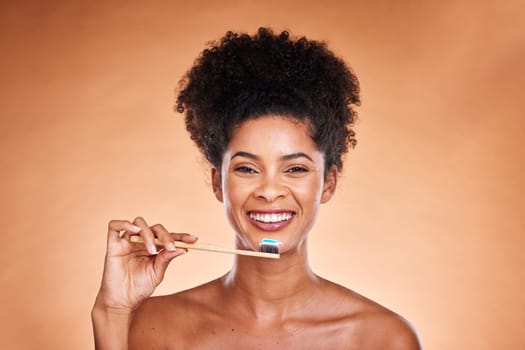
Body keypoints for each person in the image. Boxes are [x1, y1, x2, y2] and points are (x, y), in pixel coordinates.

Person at [92, 27, 421, 349]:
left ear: (329, 183)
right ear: (217, 182)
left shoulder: (382, 339)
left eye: (295, 168)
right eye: (247, 168)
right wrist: (112, 312)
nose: (269, 190)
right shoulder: (155, 328)